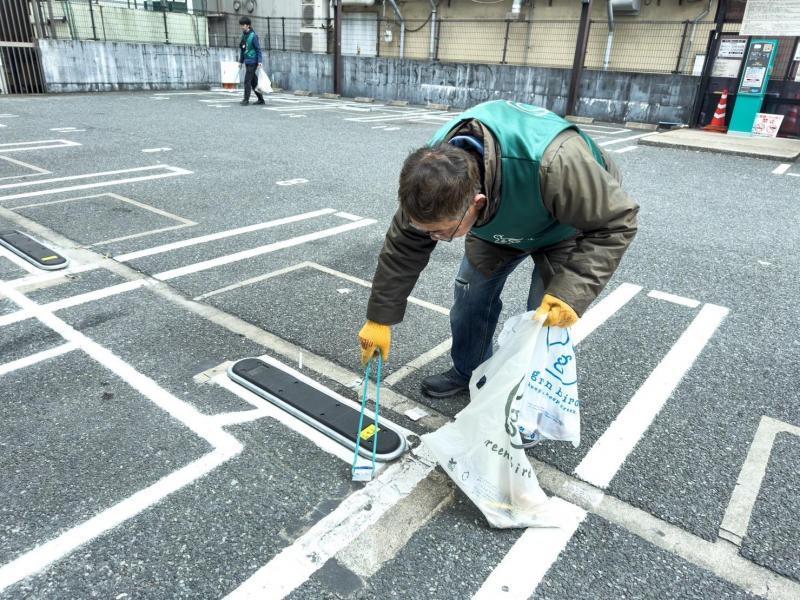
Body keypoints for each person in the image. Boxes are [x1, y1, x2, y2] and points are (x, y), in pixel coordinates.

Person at [358, 100, 639, 398]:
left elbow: (617, 221)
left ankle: (531, 403)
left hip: (564, 226)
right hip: (498, 221)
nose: (435, 238)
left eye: (443, 230)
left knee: (544, 319)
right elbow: (403, 248)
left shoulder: (558, 163)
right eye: (428, 231)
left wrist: (571, 292)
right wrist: (380, 318)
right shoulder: (429, 181)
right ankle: (470, 373)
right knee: (470, 296)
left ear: (475, 202)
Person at [238, 16, 265, 106]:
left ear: (248, 25)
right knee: (253, 82)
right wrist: (240, 62)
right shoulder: (244, 35)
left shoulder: (253, 36)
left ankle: (246, 100)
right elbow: (243, 49)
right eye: (241, 25)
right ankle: (261, 99)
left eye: (243, 25)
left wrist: (260, 61)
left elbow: (258, 49)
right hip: (247, 61)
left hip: (253, 62)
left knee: (247, 81)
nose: (241, 26)